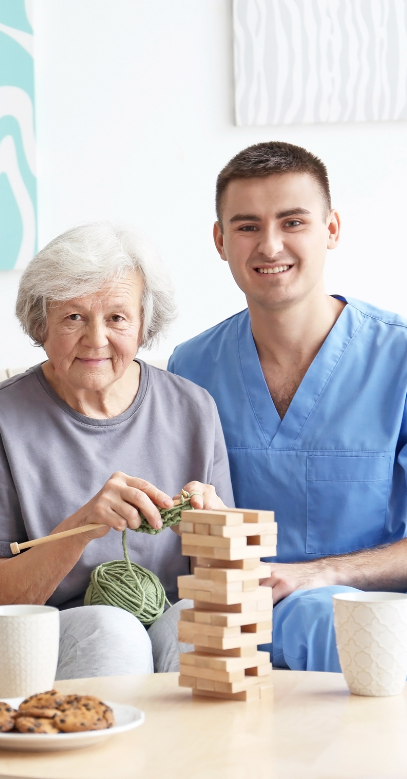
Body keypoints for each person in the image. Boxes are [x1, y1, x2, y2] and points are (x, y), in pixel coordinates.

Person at [0, 222, 234, 677]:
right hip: (60, 629)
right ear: (41, 325)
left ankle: (201, 750)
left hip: (168, 616)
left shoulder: (193, 408)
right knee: (112, 628)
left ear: (144, 325)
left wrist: (218, 531)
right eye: (73, 317)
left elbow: (227, 583)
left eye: (117, 318)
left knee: (201, 622)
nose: (96, 339)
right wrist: (82, 526)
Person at [168, 141, 407, 673]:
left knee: (320, 619)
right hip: (234, 617)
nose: (270, 245)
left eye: (293, 221)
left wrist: (315, 575)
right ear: (220, 240)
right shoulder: (191, 366)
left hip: (365, 620)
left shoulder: (399, 359)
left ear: (332, 230)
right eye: (247, 226)